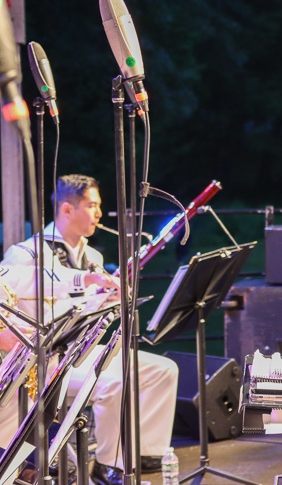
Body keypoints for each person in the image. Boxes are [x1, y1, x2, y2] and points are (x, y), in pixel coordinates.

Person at [0, 175, 179, 485]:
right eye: (92, 205)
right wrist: (86, 283)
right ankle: (108, 465)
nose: (99, 213)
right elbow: (26, 281)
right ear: (67, 210)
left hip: (76, 350)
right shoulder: (25, 253)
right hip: (41, 362)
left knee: (161, 369)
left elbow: (87, 316)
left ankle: (136, 459)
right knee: (114, 382)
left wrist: (111, 300)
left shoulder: (92, 256)